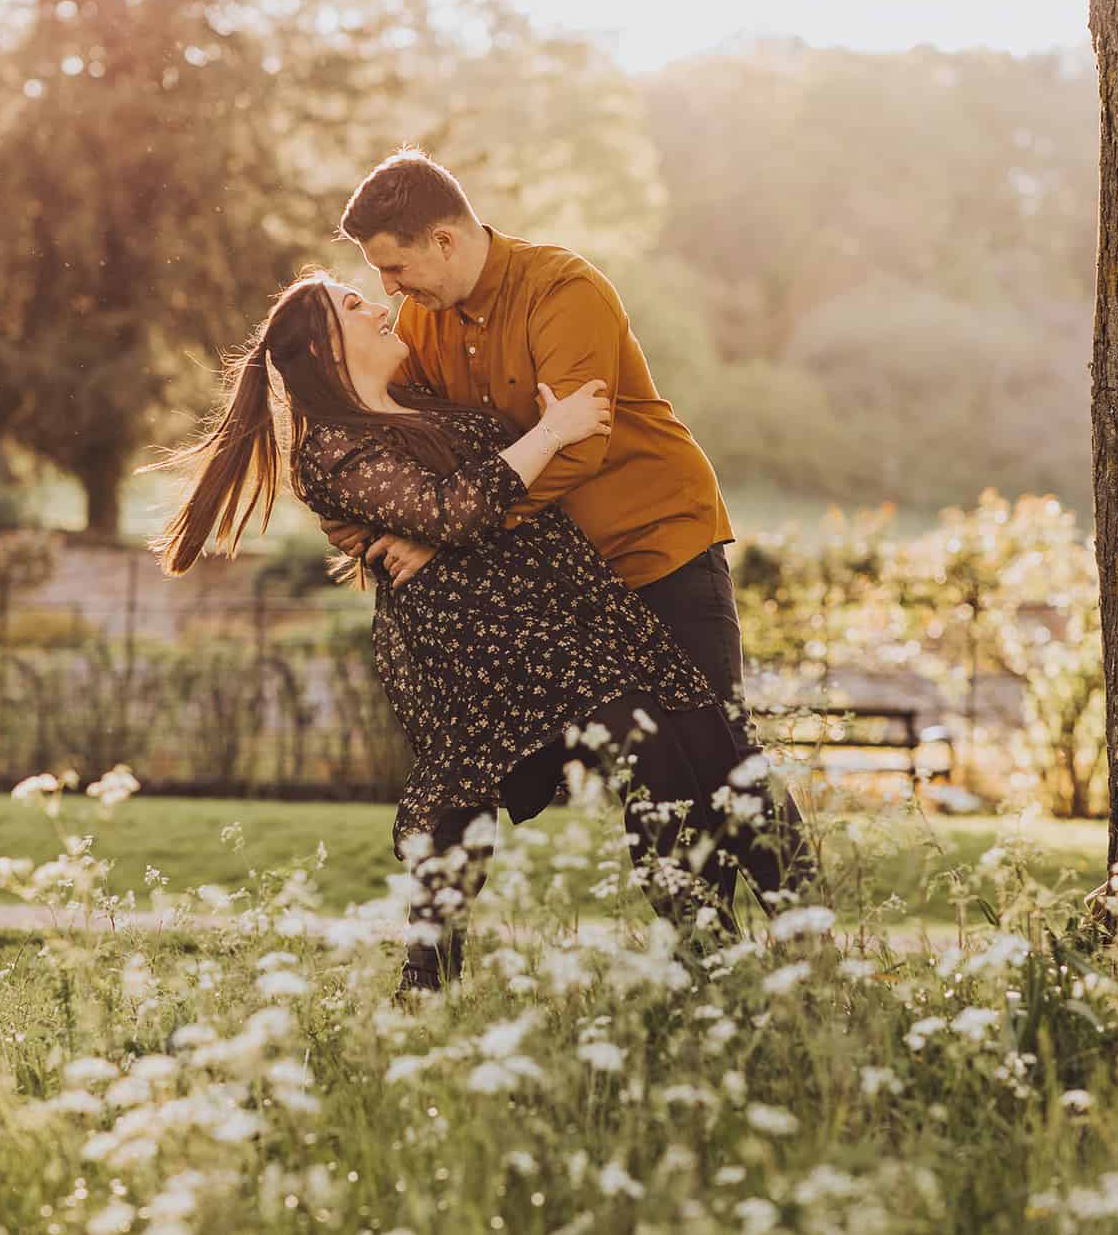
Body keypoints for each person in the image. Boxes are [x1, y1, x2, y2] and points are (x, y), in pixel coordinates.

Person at [150, 271, 812, 994]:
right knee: (616, 755)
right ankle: (706, 959)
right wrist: (551, 432)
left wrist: (460, 511)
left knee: (688, 745)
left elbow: (457, 508)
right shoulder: (332, 451)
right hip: (479, 639)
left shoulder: (413, 402)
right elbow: (454, 509)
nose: (377, 304)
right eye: (352, 304)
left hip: (560, 608)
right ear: (326, 349)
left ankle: (776, 944)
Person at [325, 149, 816, 898]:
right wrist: (365, 517)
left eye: (395, 268)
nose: (388, 291)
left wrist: (447, 529)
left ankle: (805, 928)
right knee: (644, 772)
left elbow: (575, 448)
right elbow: (410, 446)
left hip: (656, 549)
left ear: (445, 242)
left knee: (715, 753)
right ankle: (706, 963)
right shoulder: (423, 321)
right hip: (563, 580)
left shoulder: (563, 288)